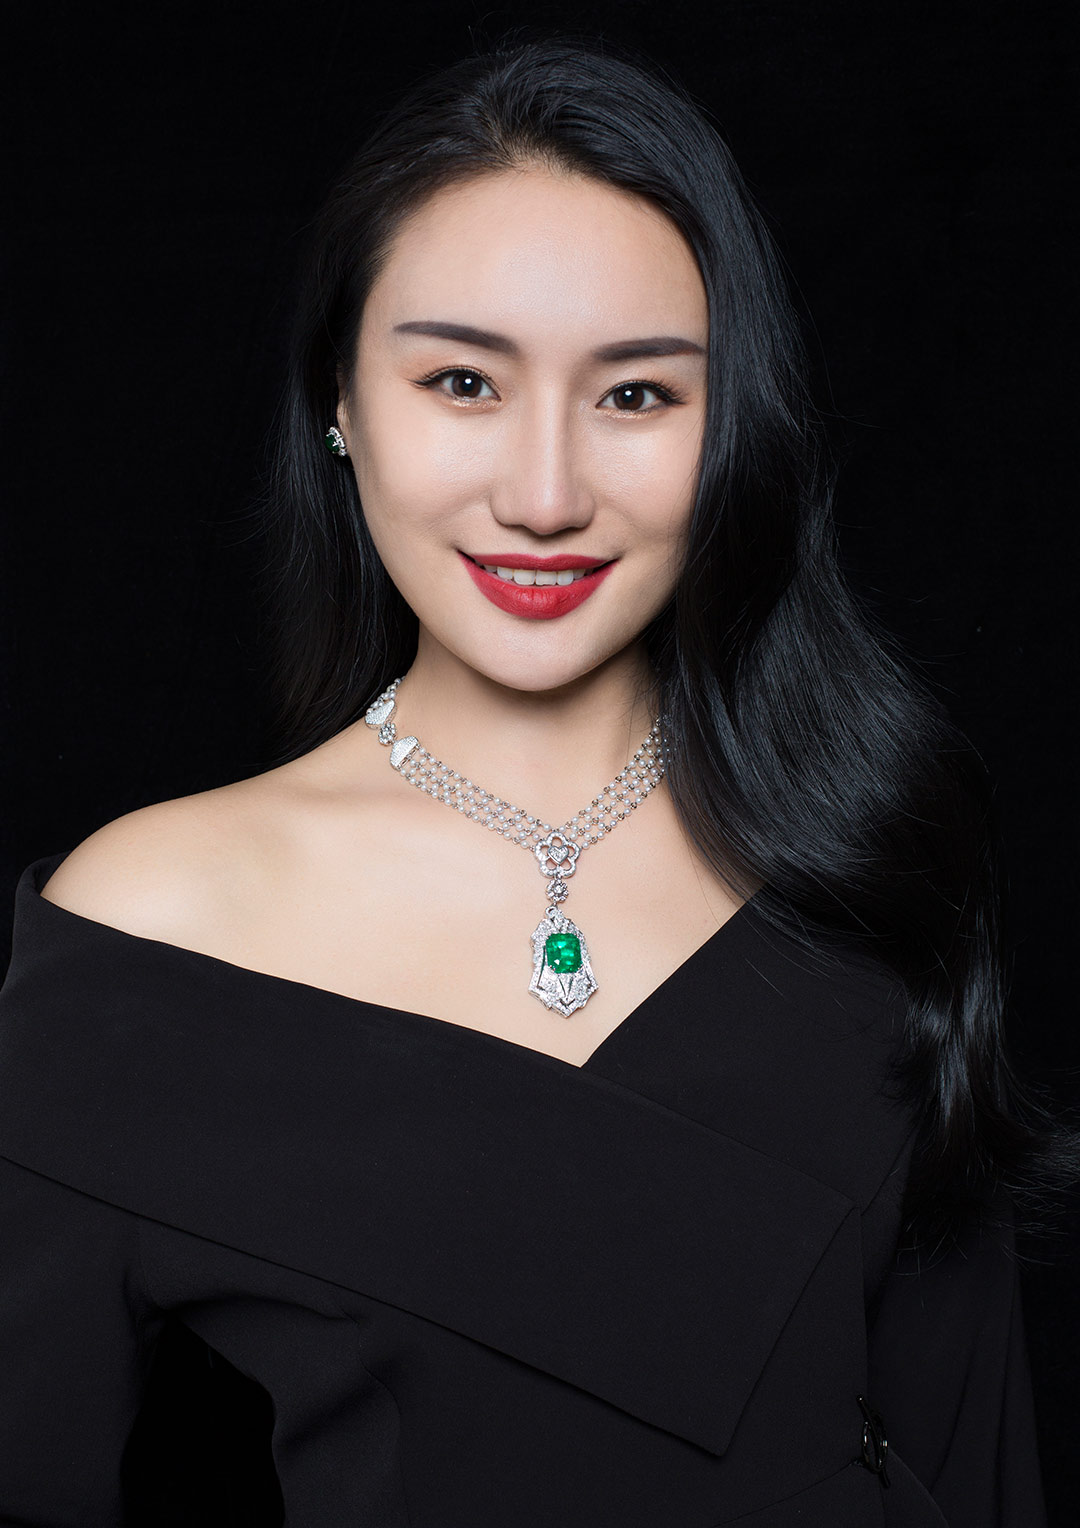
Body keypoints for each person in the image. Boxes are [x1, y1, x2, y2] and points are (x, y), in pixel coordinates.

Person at [0, 28, 1067, 1527]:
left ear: (732, 428)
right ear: (339, 403)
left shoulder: (865, 851)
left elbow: (979, 1467)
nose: (546, 495)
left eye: (637, 397)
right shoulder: (148, 928)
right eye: (462, 381)